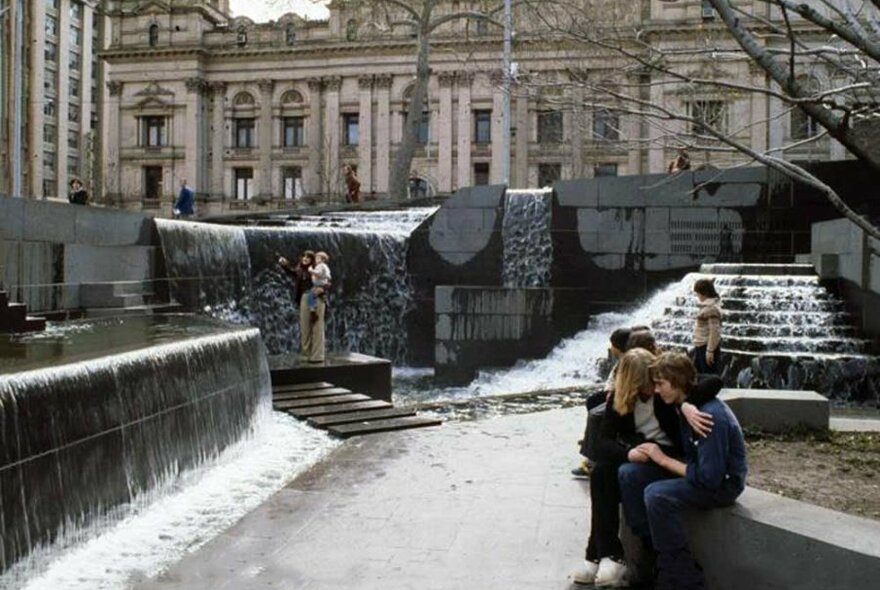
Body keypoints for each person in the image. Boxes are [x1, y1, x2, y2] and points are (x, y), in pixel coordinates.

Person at [573, 349, 716, 587]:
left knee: (621, 474)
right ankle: (607, 552)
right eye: (648, 382)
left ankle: (599, 554)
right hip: (640, 452)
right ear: (633, 383)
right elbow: (603, 442)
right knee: (601, 473)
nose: (655, 387)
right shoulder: (622, 399)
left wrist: (689, 404)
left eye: (656, 380)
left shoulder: (664, 391)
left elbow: (714, 380)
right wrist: (628, 452)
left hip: (670, 456)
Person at [618, 352, 747, 590]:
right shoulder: (682, 404)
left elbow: (710, 479)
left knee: (657, 494)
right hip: (697, 469)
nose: (656, 391)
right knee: (630, 474)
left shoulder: (708, 417)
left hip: (721, 484)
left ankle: (683, 576)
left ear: (676, 382)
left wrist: (663, 460)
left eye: (660, 384)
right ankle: (651, 550)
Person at [572, 327, 633, 480]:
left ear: (617, 346)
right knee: (593, 401)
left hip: (621, 396)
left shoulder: (629, 361)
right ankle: (591, 440)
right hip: (614, 393)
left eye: (612, 344)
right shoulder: (625, 359)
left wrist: (612, 394)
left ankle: (592, 460)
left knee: (596, 415)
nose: (610, 348)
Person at [278, 250, 326, 363]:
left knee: (317, 326)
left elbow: (326, 281)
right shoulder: (301, 270)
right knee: (305, 326)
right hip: (305, 297)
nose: (305, 258)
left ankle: (317, 356)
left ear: (312, 260)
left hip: (316, 296)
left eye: (308, 257)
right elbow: (292, 272)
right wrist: (284, 264)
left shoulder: (317, 269)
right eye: (304, 256)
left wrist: (322, 289)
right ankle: (306, 354)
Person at [692, 278, 722, 374]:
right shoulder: (707, 306)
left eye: (698, 292)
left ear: (704, 292)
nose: (697, 295)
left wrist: (710, 350)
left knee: (707, 375)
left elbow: (714, 331)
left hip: (705, 346)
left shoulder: (711, 308)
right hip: (700, 344)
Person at [306, 251, 331, 318]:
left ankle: (313, 310)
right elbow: (328, 275)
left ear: (323, 260)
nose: (316, 260)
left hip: (319, 285)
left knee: (311, 295)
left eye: (318, 258)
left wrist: (311, 270)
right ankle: (325, 303)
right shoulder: (324, 266)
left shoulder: (321, 266)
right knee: (321, 295)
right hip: (320, 285)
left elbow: (319, 273)